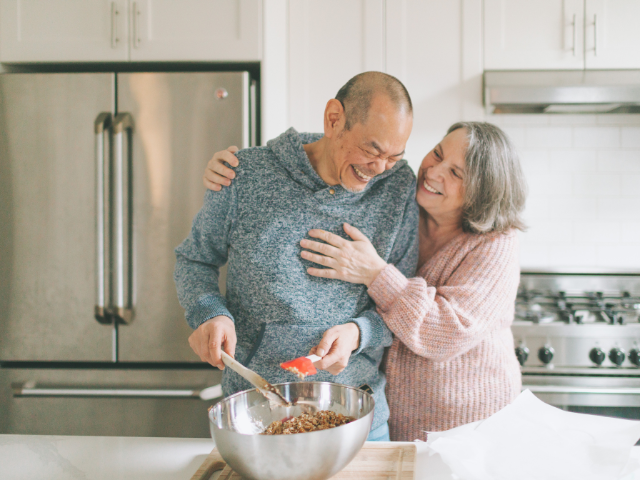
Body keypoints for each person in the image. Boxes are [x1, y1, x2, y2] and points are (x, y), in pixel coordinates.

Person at [203, 121, 527, 441]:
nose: (434, 171)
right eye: (438, 153)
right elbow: (340, 151)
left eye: (456, 173)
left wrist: (374, 273)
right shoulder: (407, 203)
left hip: (470, 427)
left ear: (483, 194)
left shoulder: (496, 244)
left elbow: (445, 332)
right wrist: (244, 165)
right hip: (395, 418)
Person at [174, 72, 419, 442]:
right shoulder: (246, 175)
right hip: (256, 415)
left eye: (394, 156)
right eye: (372, 151)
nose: (379, 168)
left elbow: (402, 300)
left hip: (358, 421)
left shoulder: (398, 187)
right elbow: (195, 260)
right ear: (334, 119)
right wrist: (210, 313)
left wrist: (358, 333)